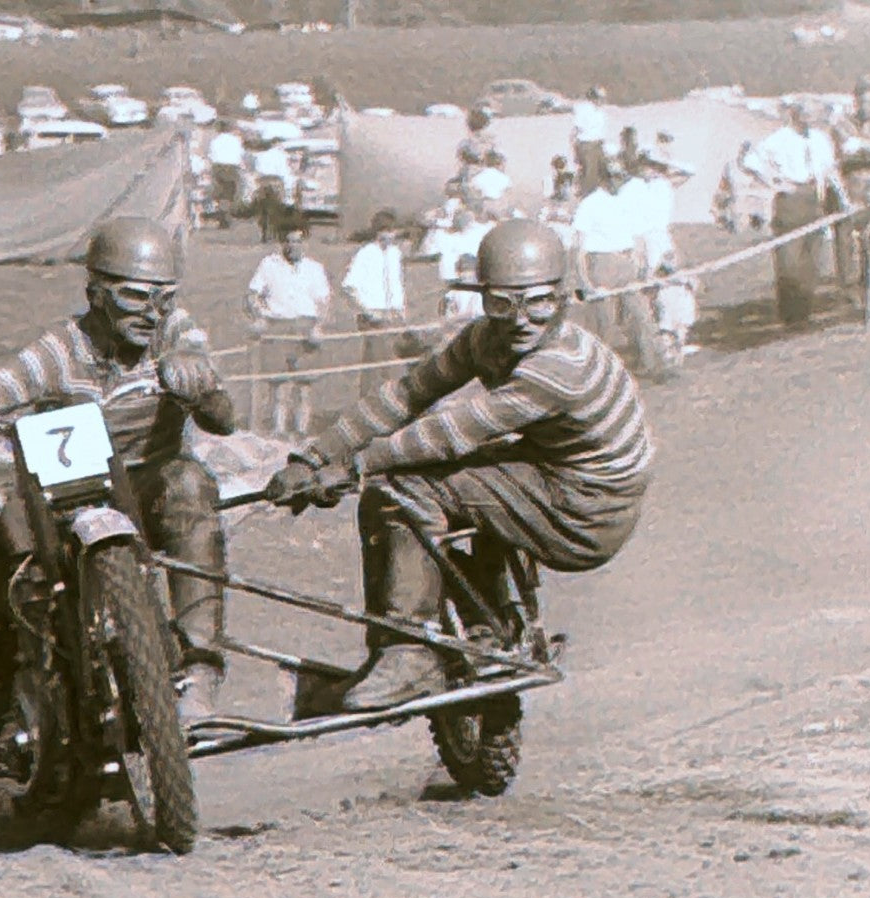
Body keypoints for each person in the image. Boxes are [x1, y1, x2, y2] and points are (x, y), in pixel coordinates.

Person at [0, 217, 235, 729]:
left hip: (147, 494)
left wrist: (201, 383)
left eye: (163, 298)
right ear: (95, 293)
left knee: (191, 483)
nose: (151, 312)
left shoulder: (174, 333)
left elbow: (221, 412)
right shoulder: (60, 349)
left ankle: (200, 669)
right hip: (62, 501)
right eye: (134, 296)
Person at [261, 220, 651, 711]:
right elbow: (409, 393)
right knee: (444, 472)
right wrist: (314, 455)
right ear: (482, 299)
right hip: (555, 471)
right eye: (502, 304)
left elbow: (449, 434)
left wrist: (354, 467)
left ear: (563, 298)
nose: (520, 320)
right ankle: (490, 625)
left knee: (398, 491)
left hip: (590, 507)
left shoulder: (559, 368)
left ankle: (408, 653)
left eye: (539, 303)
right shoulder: (484, 340)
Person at [750, 98, 841, 326]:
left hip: (815, 197)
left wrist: (840, 198)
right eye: (805, 114)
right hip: (790, 199)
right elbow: (751, 162)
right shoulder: (778, 139)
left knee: (812, 257)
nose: (809, 119)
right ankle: (790, 316)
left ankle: (805, 312)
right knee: (789, 259)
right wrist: (775, 183)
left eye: (813, 114)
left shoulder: (820, 139)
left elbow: (830, 170)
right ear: (793, 114)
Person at [570, 156, 660, 376]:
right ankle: (600, 372)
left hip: (626, 264)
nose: (617, 181)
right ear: (604, 177)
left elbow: (638, 236)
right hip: (602, 265)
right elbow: (578, 248)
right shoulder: (590, 204)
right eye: (613, 176)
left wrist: (642, 265)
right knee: (604, 323)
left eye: (621, 176)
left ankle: (650, 365)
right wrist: (584, 281)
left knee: (641, 316)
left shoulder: (626, 202)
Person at [246, 226, 332, 436]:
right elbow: (252, 295)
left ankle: (301, 431)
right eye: (289, 241)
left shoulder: (315, 268)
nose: (293, 246)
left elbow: (324, 302)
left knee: (304, 387)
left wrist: (318, 327)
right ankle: (279, 431)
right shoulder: (269, 264)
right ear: (282, 243)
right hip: (278, 326)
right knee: (280, 386)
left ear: (305, 243)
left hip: (305, 327)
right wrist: (260, 317)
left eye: (298, 241)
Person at [342, 210, 408, 391]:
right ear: (376, 232)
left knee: (392, 361)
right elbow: (349, 287)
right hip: (372, 315)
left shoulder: (395, 253)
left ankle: (388, 396)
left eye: (391, 231)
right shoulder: (366, 253)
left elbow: (396, 283)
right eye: (383, 231)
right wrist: (368, 311)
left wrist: (400, 310)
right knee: (375, 360)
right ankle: (370, 397)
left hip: (392, 314)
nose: (387, 235)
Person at [571, 86, 610, 198]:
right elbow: (576, 131)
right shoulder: (584, 110)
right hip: (587, 145)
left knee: (602, 171)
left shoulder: (600, 111)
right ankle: (587, 196)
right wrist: (575, 149)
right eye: (601, 98)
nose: (603, 101)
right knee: (590, 175)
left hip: (598, 144)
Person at [206, 120, 247, 227]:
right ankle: (226, 214)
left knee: (220, 191)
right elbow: (240, 155)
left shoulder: (215, 140)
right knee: (230, 192)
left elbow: (210, 155)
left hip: (218, 167)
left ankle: (222, 214)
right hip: (232, 167)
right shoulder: (236, 141)